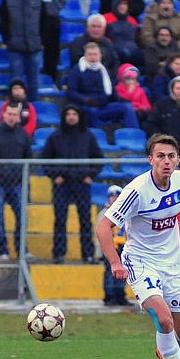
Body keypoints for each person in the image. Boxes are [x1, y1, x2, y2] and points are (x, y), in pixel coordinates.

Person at [96, 133, 180, 359]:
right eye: (161, 156)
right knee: (164, 321)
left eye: (171, 156)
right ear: (150, 159)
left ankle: (166, 353)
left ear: (178, 160)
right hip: (140, 262)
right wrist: (115, 262)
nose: (166, 161)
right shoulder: (137, 190)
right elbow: (104, 226)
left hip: (172, 264)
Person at [41, 104, 104, 264]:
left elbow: (98, 159)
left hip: (82, 183)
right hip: (62, 184)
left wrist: (90, 175)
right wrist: (55, 176)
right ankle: (59, 254)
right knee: (60, 219)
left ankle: (88, 255)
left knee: (85, 219)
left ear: (79, 116)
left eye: (74, 113)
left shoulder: (88, 135)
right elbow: (44, 160)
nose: (71, 116)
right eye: (68, 113)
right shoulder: (55, 136)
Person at [0, 102, 33, 261]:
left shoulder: (23, 134)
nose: (11, 117)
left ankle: (21, 249)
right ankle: (3, 250)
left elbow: (28, 157)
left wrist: (21, 174)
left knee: (21, 217)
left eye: (14, 115)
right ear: (3, 114)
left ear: (18, 116)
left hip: (17, 182)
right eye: (9, 114)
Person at [66, 41, 140, 128]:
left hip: (105, 106)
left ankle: (132, 136)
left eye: (95, 54)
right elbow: (71, 92)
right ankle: (95, 138)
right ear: (85, 55)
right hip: (86, 107)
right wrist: (85, 99)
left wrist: (119, 98)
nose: (93, 57)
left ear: (100, 55)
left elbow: (112, 91)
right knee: (91, 111)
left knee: (127, 106)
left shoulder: (104, 69)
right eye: (90, 54)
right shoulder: (77, 71)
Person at [0, 0, 44, 103]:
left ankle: (32, 112)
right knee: (15, 82)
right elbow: (2, 23)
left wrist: (40, 40)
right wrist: (8, 40)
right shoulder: (7, 1)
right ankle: (15, 111)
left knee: (34, 83)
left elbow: (45, 22)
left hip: (34, 47)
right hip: (15, 48)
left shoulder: (38, 0)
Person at [142, 75, 180, 154]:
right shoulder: (161, 104)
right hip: (163, 152)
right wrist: (162, 140)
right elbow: (149, 125)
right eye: (177, 88)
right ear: (172, 89)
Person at [99, 185, 130, 306]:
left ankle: (120, 294)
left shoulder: (126, 213)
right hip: (111, 246)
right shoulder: (104, 213)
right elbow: (100, 231)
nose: (115, 199)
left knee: (124, 270)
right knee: (109, 271)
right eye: (112, 196)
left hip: (123, 245)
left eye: (117, 196)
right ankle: (109, 295)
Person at [69, 14, 121, 79]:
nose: (96, 29)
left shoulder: (107, 43)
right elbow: (75, 62)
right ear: (87, 28)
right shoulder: (78, 42)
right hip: (83, 78)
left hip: (106, 77)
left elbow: (115, 62)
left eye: (99, 27)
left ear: (104, 29)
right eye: (93, 26)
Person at [103, 0, 142, 67]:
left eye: (124, 4)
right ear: (115, 4)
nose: (122, 6)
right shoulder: (106, 18)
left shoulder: (132, 21)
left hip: (133, 51)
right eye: (119, 3)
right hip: (115, 53)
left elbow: (137, 39)